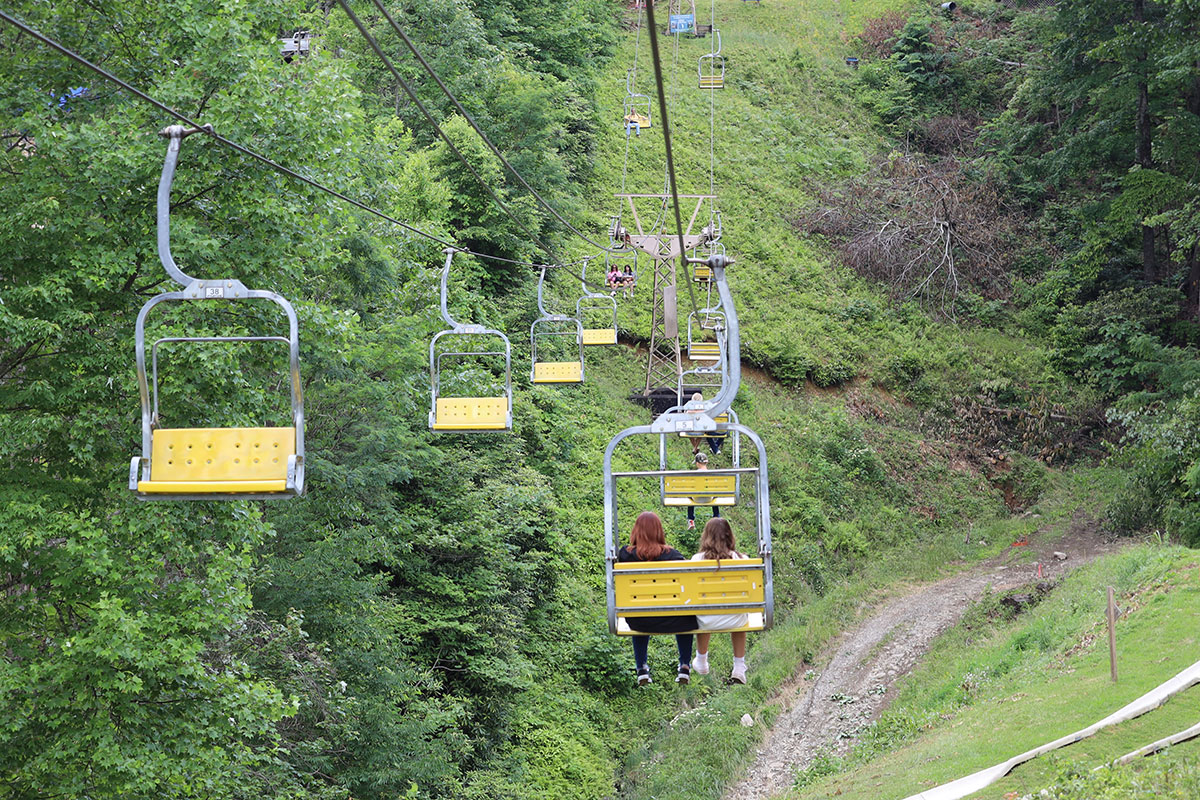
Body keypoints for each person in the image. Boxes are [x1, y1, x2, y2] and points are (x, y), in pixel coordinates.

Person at [618, 511, 697, 685]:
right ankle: (684, 665)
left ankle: (641, 668)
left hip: (639, 622)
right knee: (687, 614)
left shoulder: (625, 555)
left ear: (636, 531)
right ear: (659, 532)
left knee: (639, 609)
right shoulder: (674, 556)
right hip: (674, 620)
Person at [691, 517, 750, 684]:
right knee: (740, 611)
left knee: (703, 609)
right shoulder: (742, 559)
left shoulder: (697, 559)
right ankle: (739, 666)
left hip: (706, 620)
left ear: (706, 536)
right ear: (729, 536)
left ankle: (701, 660)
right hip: (736, 619)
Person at [686, 451, 722, 530]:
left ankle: (691, 519)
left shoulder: (694, 474)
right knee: (715, 494)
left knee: (689, 494)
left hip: (696, 499)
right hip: (709, 499)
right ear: (706, 462)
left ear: (697, 463)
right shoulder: (712, 474)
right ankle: (716, 516)